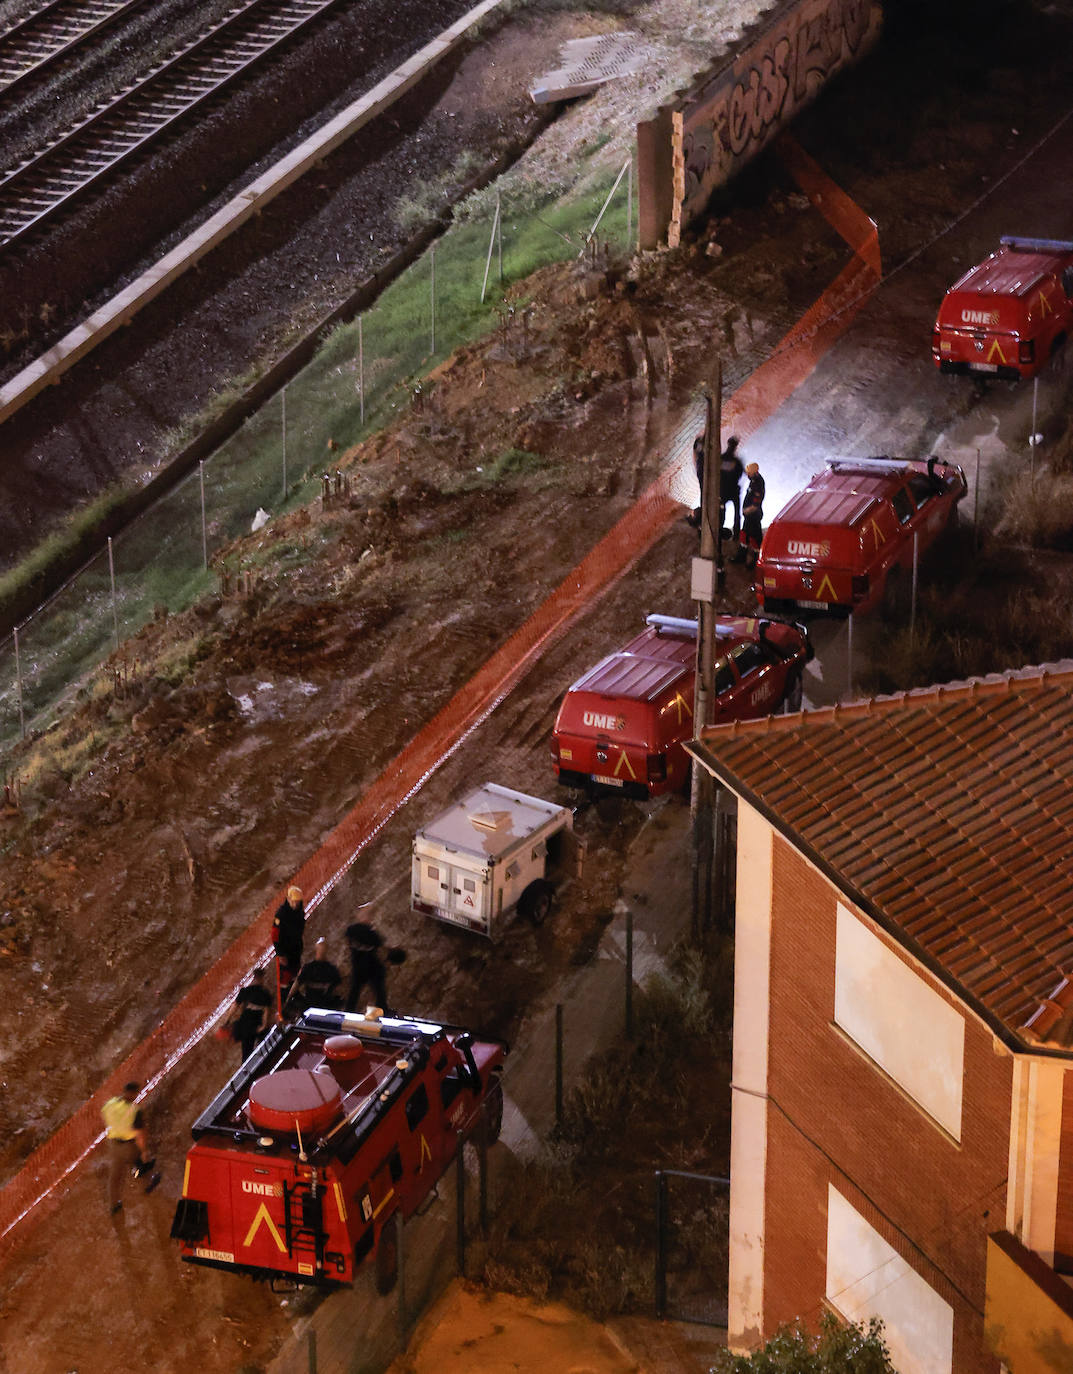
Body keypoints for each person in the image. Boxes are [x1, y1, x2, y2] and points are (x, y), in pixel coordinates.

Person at [101, 1081, 160, 1214]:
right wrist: (144, 1151)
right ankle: (148, 1184)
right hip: (129, 1145)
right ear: (133, 1093)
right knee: (141, 1165)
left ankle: (114, 1205)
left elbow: (104, 1113)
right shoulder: (134, 1111)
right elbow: (140, 1133)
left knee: (115, 1176)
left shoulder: (110, 1104)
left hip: (113, 1144)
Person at [282, 937, 343, 1020]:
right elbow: (338, 989)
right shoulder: (330, 969)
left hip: (316, 1005)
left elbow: (297, 984)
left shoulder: (310, 968)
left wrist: (289, 997)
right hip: (320, 1006)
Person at [225, 965, 274, 1062]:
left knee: (246, 1052)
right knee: (269, 1044)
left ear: (254, 977)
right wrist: (263, 1026)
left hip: (246, 1026)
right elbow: (266, 1012)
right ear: (262, 978)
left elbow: (234, 1006)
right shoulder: (265, 994)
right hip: (257, 1024)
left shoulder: (245, 991)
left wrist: (227, 1020)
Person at [272, 885, 305, 995]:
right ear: (288, 899)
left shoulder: (300, 912)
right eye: (294, 901)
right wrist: (280, 954)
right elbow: (275, 935)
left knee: (295, 973)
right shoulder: (281, 915)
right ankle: (284, 1000)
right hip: (285, 952)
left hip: (295, 949)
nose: (296, 904)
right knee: (285, 977)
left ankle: (294, 995)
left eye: (298, 902)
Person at [734, 461, 765, 568]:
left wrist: (748, 510)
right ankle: (741, 556)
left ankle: (756, 561)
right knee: (745, 535)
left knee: (755, 538)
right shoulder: (753, 481)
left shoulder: (758, 483)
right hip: (749, 516)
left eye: (749, 473)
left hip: (753, 516)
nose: (747, 475)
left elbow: (756, 502)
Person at [719, 435, 745, 540]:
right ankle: (736, 536)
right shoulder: (736, 461)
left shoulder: (721, 459)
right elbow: (740, 474)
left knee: (721, 512)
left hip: (723, 491)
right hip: (733, 490)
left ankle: (719, 532)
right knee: (736, 514)